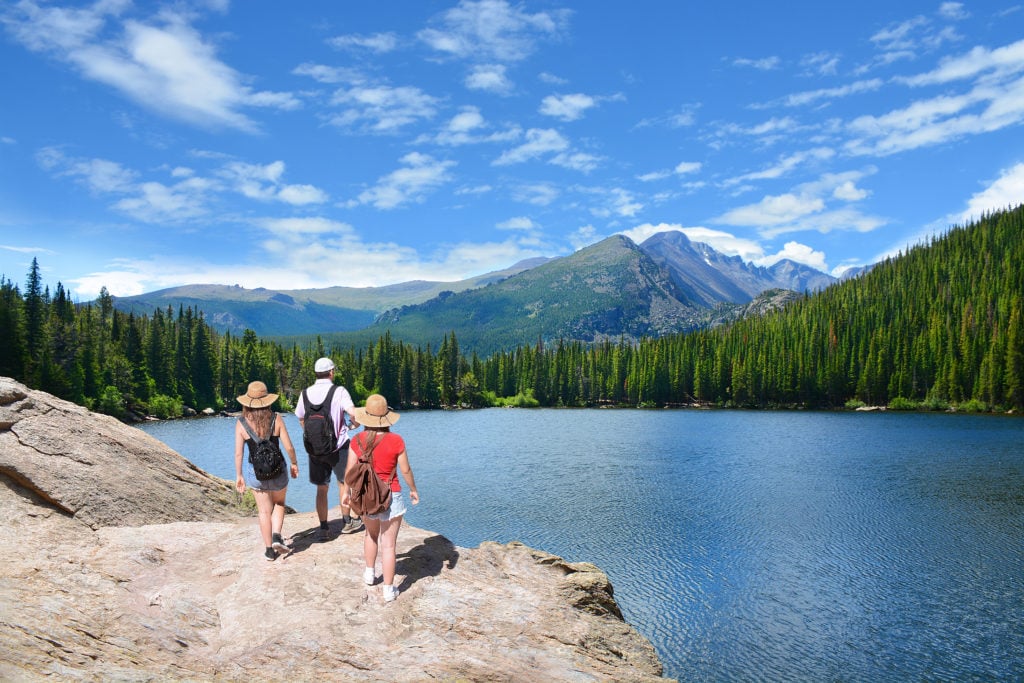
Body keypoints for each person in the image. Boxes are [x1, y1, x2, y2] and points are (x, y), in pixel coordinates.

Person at [343, 394, 419, 603]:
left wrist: (345, 494)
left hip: (366, 495)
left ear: (366, 417)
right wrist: (413, 489)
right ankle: (388, 589)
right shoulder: (396, 440)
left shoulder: (356, 440)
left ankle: (369, 574)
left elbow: (349, 471)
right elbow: (405, 469)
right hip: (391, 495)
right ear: (386, 418)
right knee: (389, 545)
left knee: (370, 534)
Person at [296, 357, 361, 540]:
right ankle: (347, 522)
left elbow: (301, 418)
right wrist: (353, 425)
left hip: (314, 449)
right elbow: (353, 413)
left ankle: (324, 528)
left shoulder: (305, 393)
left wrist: (313, 436)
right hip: (338, 446)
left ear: (316, 373)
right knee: (344, 483)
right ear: (331, 372)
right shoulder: (339, 391)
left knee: (321, 487)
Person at [234, 380, 299, 561]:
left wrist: (239, 475)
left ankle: (269, 550)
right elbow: (289, 447)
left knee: (264, 511)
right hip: (278, 470)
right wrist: (294, 463)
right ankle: (277, 535)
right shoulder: (276, 418)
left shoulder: (241, 423)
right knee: (279, 503)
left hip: (256, 473)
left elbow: (239, 454)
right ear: (267, 400)